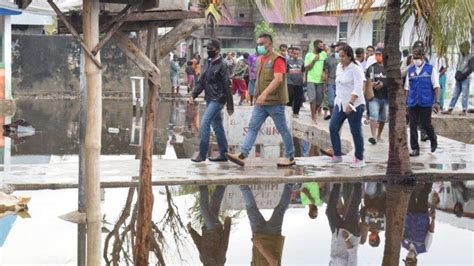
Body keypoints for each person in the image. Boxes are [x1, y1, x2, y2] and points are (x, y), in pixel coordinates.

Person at [226, 33, 295, 167]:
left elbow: (278, 79)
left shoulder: (278, 59)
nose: (259, 46)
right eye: (258, 44)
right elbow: (257, 80)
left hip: (275, 102)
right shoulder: (259, 59)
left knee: (283, 129)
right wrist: (253, 94)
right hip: (260, 103)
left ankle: (290, 156)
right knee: (252, 127)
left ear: (270, 44)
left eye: (262, 44)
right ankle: (242, 155)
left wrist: (264, 94)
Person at [188, 39, 234, 162]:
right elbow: (202, 82)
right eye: (207, 49)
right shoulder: (209, 64)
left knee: (204, 123)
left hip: (218, 99)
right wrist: (193, 94)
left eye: (211, 49)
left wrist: (230, 105)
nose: (208, 51)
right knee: (217, 125)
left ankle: (202, 154)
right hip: (209, 98)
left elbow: (227, 85)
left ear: (218, 50)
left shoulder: (222, 65)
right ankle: (224, 154)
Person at [329, 44, 366, 168]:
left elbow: (358, 88)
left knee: (355, 131)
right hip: (340, 103)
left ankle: (359, 158)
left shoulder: (356, 68)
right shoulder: (339, 67)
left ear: (350, 56)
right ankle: (337, 154)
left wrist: (351, 103)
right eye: (339, 56)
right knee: (333, 127)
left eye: (343, 56)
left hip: (354, 104)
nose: (341, 59)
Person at [240, 183, 293, 266]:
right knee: (280, 209)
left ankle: (243, 185)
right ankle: (290, 184)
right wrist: (260, 247)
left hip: (258, 234)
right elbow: (274, 262)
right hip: (273, 236)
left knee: (251, 208)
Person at [404, 47, 440, 157]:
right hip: (412, 102)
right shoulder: (410, 71)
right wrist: (406, 103)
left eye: (417, 57)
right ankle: (415, 148)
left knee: (426, 124)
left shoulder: (430, 69)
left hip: (426, 101)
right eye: (413, 58)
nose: (415, 60)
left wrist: (437, 102)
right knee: (413, 125)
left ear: (422, 57)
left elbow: (436, 86)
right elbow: (407, 88)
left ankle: (433, 139)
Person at [187, 185, 231, 266]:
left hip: (207, 228)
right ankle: (203, 185)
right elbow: (224, 243)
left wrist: (191, 231)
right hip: (215, 228)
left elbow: (199, 242)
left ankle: (222, 185)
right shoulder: (219, 262)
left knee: (215, 203)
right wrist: (227, 225)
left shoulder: (204, 261)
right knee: (203, 209)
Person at [326, 183, 362, 265]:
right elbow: (353, 255)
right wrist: (346, 239)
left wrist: (334, 234)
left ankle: (336, 184)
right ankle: (358, 184)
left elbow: (334, 254)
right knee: (353, 208)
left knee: (330, 211)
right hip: (350, 234)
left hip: (337, 234)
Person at [402, 183, 436, 265]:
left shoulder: (404, 244)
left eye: (406, 258)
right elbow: (430, 232)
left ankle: (410, 177)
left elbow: (402, 229)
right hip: (422, 216)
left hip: (410, 214)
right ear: (415, 259)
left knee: (410, 194)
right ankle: (430, 178)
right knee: (423, 195)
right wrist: (433, 219)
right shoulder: (424, 248)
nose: (408, 256)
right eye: (410, 259)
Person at [442, 41, 474, 116]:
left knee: (464, 95)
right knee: (455, 94)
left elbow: (471, 69)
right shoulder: (460, 56)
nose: (460, 50)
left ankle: (464, 110)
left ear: (467, 48)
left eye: (462, 48)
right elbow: (459, 67)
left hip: (466, 78)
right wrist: (456, 75)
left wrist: (463, 75)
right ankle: (450, 109)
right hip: (458, 78)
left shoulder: (471, 57)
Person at [366, 48, 388, 145]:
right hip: (374, 96)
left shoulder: (388, 69)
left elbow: (392, 81)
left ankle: (379, 135)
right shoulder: (371, 68)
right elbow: (367, 81)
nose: (377, 56)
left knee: (383, 117)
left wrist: (383, 84)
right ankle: (373, 136)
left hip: (386, 96)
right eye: (376, 54)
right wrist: (372, 84)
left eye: (379, 54)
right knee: (373, 116)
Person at [305, 39, 328, 124]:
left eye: (323, 46)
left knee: (320, 99)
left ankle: (314, 112)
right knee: (312, 99)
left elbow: (326, 67)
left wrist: (325, 74)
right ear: (315, 46)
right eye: (320, 46)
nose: (322, 48)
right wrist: (314, 61)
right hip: (311, 79)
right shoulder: (309, 55)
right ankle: (313, 117)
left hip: (321, 80)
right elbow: (306, 68)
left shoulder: (324, 54)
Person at [286, 47, 305, 117]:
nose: (296, 55)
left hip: (299, 82)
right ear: (292, 54)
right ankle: (288, 111)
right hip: (290, 82)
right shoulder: (288, 61)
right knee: (290, 97)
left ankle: (296, 112)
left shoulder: (301, 61)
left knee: (298, 98)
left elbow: (303, 71)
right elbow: (285, 71)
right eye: (294, 54)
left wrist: (304, 78)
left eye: (297, 54)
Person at [322, 43, 339, 121]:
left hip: (341, 83)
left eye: (335, 47)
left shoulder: (344, 59)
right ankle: (333, 117)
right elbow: (326, 73)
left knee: (339, 103)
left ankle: (336, 117)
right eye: (332, 47)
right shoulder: (327, 59)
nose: (334, 48)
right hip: (331, 82)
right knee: (331, 103)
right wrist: (325, 86)